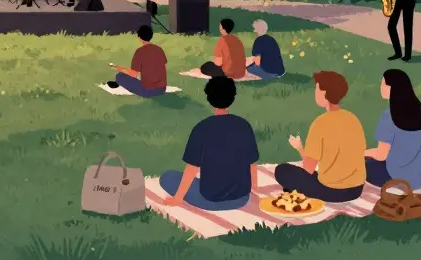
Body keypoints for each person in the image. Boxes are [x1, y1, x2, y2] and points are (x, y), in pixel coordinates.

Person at [160, 76, 259, 211]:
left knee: (168, 177)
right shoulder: (244, 125)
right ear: (233, 97)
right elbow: (252, 162)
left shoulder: (202, 128)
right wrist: (254, 189)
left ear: (209, 98)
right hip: (242, 198)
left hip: (210, 199)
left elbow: (192, 168)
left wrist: (177, 198)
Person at [274, 71, 366, 202]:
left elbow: (309, 169)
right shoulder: (353, 118)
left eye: (316, 89)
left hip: (332, 191)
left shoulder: (320, 123)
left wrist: (299, 148)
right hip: (357, 189)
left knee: (282, 170)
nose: (315, 93)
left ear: (324, 93)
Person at [365, 69, 421, 189]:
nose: (380, 87)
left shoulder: (388, 116)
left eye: (383, 84)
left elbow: (381, 155)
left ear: (391, 88)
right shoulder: (418, 112)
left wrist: (361, 154)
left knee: (362, 164)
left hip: (398, 178)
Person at [107, 24, 168, 97]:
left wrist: (117, 67)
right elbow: (163, 66)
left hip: (148, 91)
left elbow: (134, 74)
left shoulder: (140, 51)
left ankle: (118, 83)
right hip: (162, 89)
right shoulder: (159, 49)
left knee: (119, 76)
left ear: (139, 37)